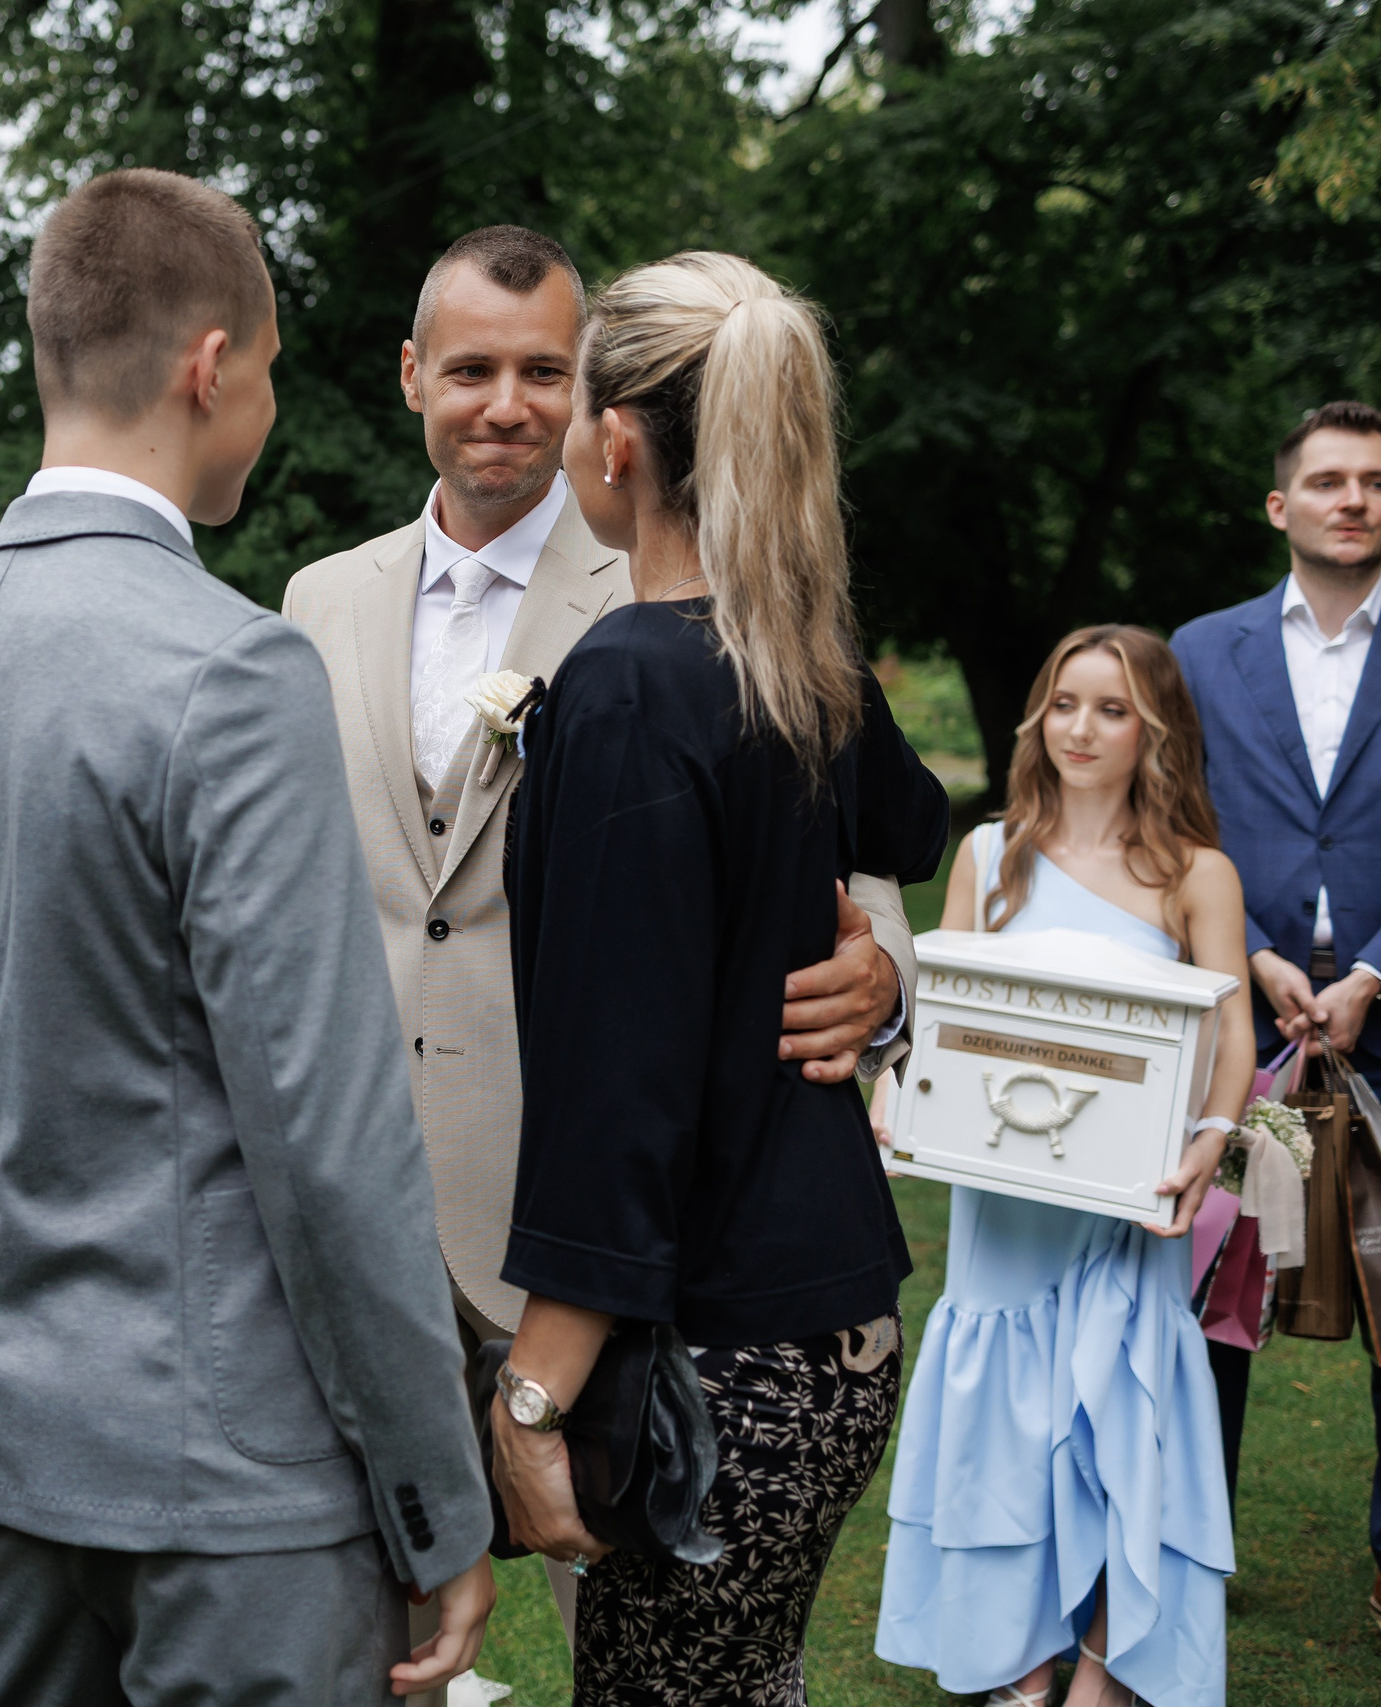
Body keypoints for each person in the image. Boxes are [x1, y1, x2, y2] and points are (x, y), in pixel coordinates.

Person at [0, 168, 496, 1706]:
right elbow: (328, 1132)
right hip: (224, 1471)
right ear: (212, 362)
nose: (266, 404)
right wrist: (436, 1485)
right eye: (270, 369)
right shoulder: (231, 667)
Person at [281, 227, 922, 1663]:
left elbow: (871, 838)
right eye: (470, 369)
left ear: (601, 412)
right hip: (367, 1205)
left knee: (636, 1641)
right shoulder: (319, 599)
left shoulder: (689, 611)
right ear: (409, 378)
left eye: (543, 372)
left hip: (616, 1246)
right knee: (370, 1644)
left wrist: (884, 972)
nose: (506, 402)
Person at [485, 253, 948, 1705]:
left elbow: (620, 1077)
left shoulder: (631, 677)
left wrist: (532, 1388)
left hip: (720, 1355)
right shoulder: (787, 660)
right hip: (837, 1329)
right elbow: (909, 821)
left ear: (616, 439)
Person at [875, 625, 1244, 1706]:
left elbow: (1226, 1039)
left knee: (1118, 1416)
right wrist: (897, 1087)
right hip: (1002, 1203)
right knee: (1005, 1415)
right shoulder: (989, 855)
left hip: (1127, 1203)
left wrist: (1207, 1148)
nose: (1082, 729)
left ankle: (1105, 1657)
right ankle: (1018, 1648)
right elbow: (945, 1009)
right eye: (1066, 703)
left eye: (1114, 709)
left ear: (1154, 731)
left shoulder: (1194, 874)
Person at [1171, 398, 1381, 1637]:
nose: (1353, 499)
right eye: (1329, 481)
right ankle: (1186, 1552)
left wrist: (1371, 973)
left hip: (1379, 1008)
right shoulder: (1201, 651)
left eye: (1372, 482)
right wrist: (1244, 953)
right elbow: (1170, 821)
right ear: (1280, 505)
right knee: (1212, 1301)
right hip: (1235, 1022)